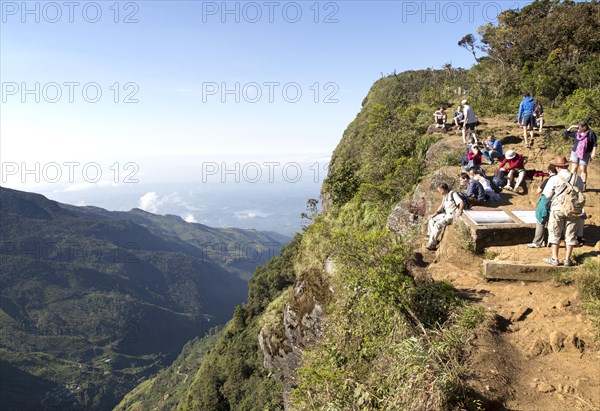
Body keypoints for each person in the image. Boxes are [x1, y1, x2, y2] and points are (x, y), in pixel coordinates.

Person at [542, 156, 584, 266]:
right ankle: (567, 259)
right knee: (570, 234)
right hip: (572, 209)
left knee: (554, 232)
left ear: (557, 167)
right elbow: (581, 190)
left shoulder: (554, 179)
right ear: (567, 165)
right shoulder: (577, 178)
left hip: (557, 208)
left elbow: (547, 195)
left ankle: (555, 258)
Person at [426, 183, 464, 251]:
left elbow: (461, 202)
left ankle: (432, 244)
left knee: (438, 224)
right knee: (431, 220)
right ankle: (432, 236)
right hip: (446, 214)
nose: (438, 192)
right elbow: (442, 205)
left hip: (452, 215)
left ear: (443, 189)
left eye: (439, 190)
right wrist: (434, 214)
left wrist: (460, 210)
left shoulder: (453, 194)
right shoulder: (445, 195)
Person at [527, 165, 557, 248]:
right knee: (552, 223)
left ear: (549, 171)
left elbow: (538, 191)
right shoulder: (561, 180)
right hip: (556, 203)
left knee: (540, 222)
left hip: (545, 203)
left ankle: (537, 242)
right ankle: (548, 241)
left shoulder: (548, 180)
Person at [566, 121, 597, 191]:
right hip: (575, 152)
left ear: (584, 127)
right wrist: (572, 127)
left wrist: (593, 152)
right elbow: (566, 133)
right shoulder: (577, 133)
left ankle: (583, 185)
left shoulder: (591, 133)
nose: (579, 128)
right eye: (578, 127)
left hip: (585, 153)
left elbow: (594, 143)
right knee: (574, 168)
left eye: (580, 127)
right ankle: (572, 183)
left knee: (583, 169)